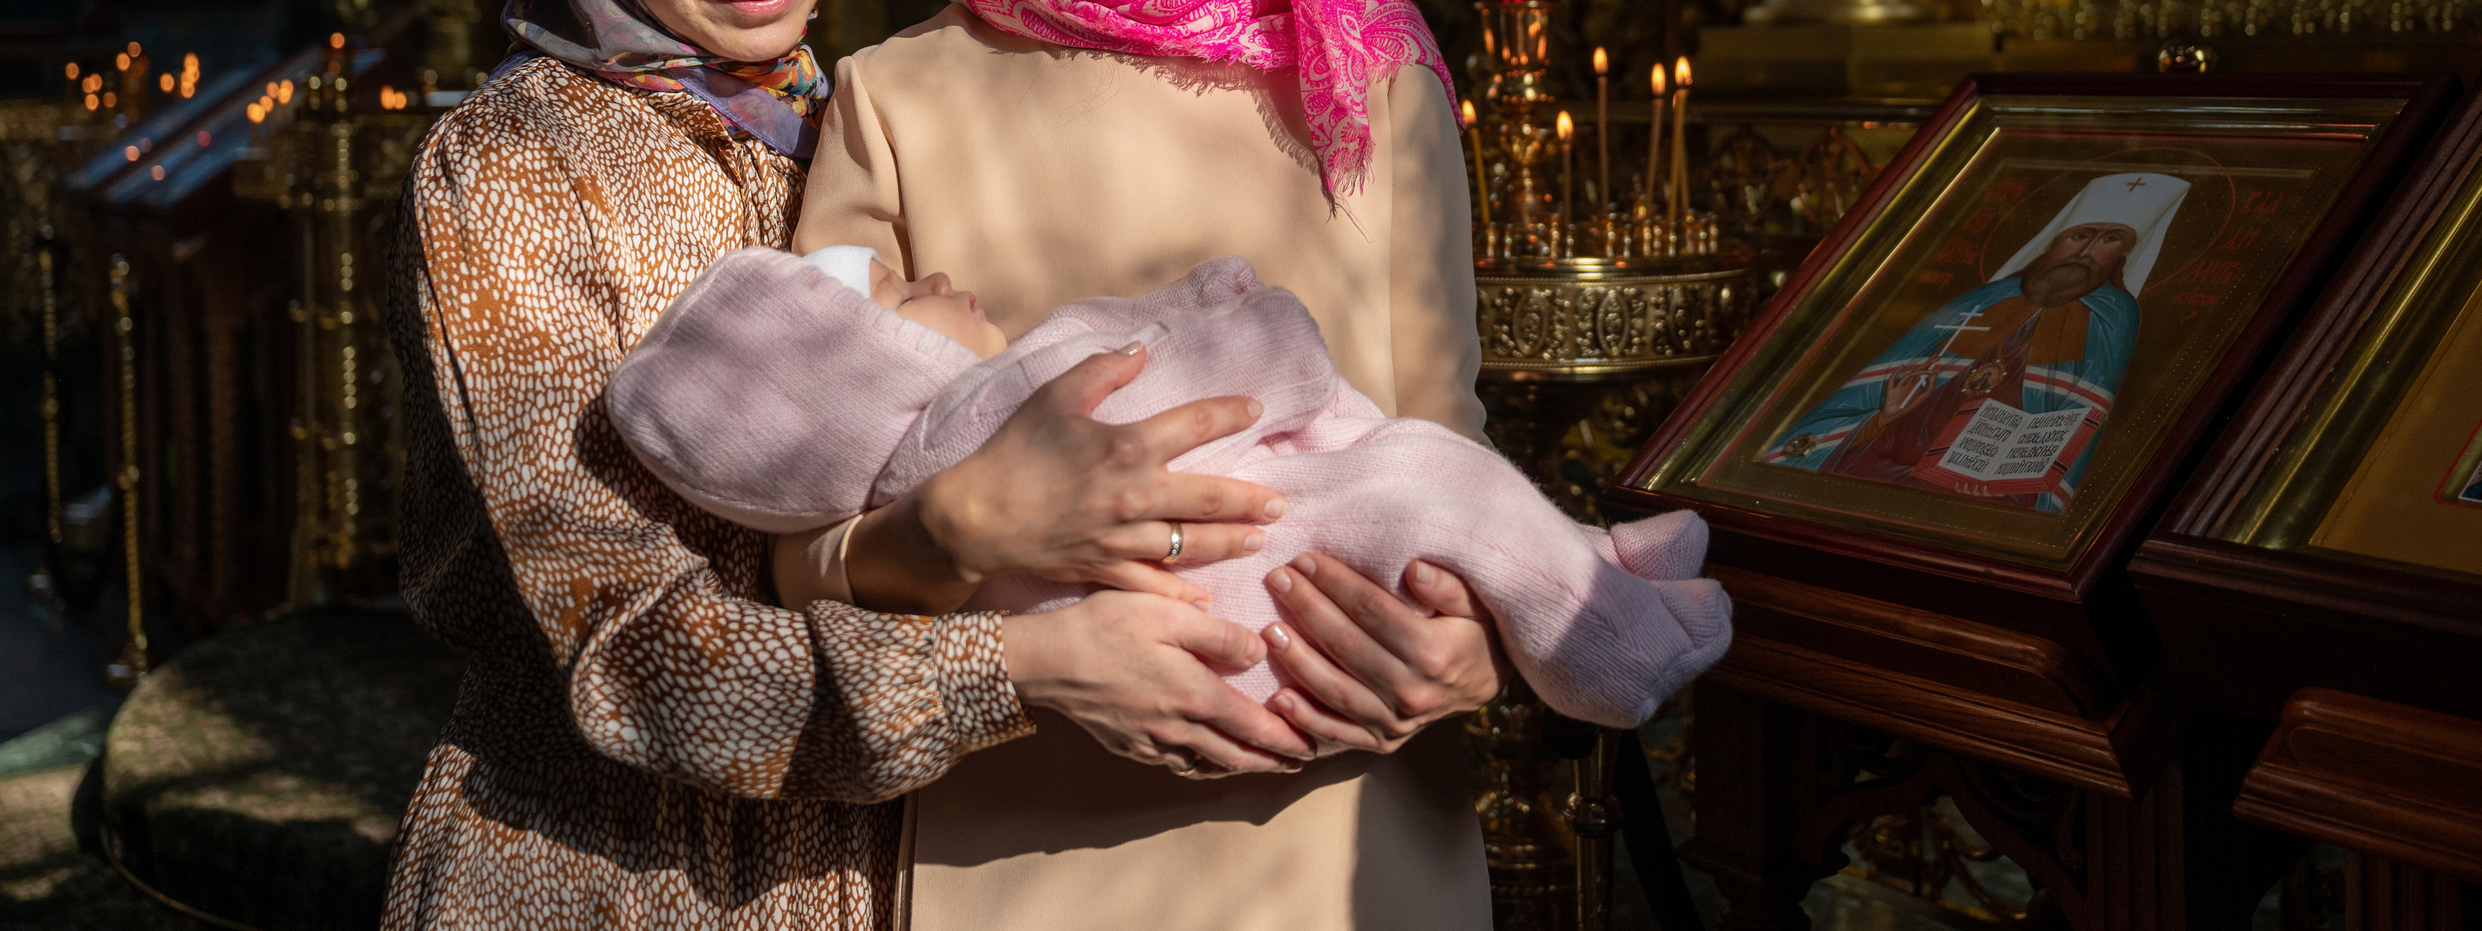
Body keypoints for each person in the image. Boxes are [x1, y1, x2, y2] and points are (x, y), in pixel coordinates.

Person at [384, 0, 1313, 926]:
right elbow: (626, 658)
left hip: (907, 871)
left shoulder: (870, 114)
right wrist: (1017, 667)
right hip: (603, 872)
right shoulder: (512, 174)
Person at [791, 0, 1504, 928]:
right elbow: (799, 544)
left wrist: (1478, 641)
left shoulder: (1362, 68)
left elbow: (1452, 460)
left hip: (1349, 847)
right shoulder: (891, 102)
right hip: (1029, 862)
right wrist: (956, 539)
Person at [603, 246, 1732, 729]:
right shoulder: (965, 421)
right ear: (876, 372)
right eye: (899, 296)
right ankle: (1616, 647)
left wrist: (1478, 653)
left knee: (1454, 496)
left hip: (1330, 706)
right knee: (1430, 486)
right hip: (1260, 569)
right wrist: (1262, 325)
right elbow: (1186, 369)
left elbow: (1090, 337)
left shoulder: (1363, 64)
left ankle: (1587, 572)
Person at [1763, 171, 2190, 513]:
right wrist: (1882, 418)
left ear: (2123, 257)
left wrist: (2007, 485)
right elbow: (1874, 405)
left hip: (1986, 497)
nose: (2089, 249)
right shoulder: (1983, 300)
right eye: (2081, 235)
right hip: (1886, 470)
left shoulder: (2113, 316)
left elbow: (2074, 421)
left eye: (2110, 239)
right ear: (2053, 242)